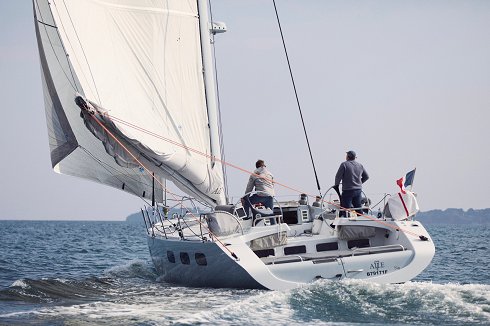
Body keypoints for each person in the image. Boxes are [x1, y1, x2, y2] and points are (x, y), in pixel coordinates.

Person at [334, 150, 369, 216]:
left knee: (345, 210)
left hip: (347, 191)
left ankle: (343, 222)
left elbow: (338, 177)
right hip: (358, 191)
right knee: (358, 210)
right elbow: (366, 176)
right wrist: (359, 183)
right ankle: (362, 222)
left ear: (347, 157)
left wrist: (336, 186)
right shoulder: (360, 165)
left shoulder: (344, 164)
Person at [243, 160, 275, 224]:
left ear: (256, 167)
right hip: (270, 196)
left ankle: (246, 220)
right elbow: (272, 185)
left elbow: (249, 188)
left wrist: (246, 197)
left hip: (260, 195)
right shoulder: (270, 174)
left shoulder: (254, 174)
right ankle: (274, 225)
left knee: (246, 202)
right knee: (271, 212)